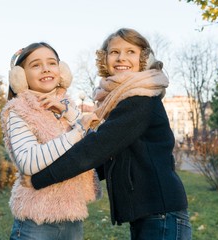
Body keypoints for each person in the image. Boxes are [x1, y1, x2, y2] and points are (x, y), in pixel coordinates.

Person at [30, 28, 192, 240]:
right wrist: (69, 181)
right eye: (114, 52)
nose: (121, 58)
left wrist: (40, 178)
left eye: (130, 52)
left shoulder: (140, 98)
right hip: (151, 212)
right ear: (104, 59)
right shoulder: (120, 98)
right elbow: (110, 157)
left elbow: (99, 146)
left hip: (161, 213)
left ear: (143, 58)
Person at [0, 42, 101, 240]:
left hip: (72, 216)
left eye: (52, 63)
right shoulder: (18, 110)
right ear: (20, 77)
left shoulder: (68, 106)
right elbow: (29, 162)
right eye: (36, 65)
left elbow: (92, 147)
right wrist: (77, 131)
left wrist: (68, 112)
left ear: (61, 70)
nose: (46, 68)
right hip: (36, 220)